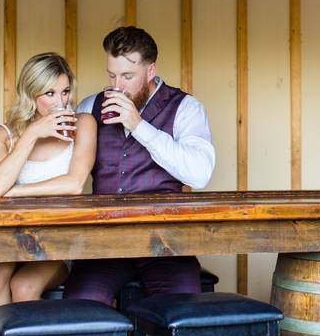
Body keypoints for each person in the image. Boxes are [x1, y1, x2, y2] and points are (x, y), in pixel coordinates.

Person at [65, 26, 215, 304]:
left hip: (165, 243)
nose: (117, 86)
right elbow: (61, 165)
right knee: (81, 304)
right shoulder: (90, 107)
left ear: (150, 71)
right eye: (112, 75)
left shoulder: (186, 108)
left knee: (185, 317)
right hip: (105, 245)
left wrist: (138, 126)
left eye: (128, 76)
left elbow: (200, 174)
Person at [0, 52, 96, 336]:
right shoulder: (0, 135)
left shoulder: (83, 124)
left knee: (25, 284)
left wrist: (15, 193)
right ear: (30, 95)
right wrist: (32, 133)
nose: (60, 102)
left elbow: (74, 184)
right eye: (50, 93)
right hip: (12, 238)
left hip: (62, 240)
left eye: (65, 91)